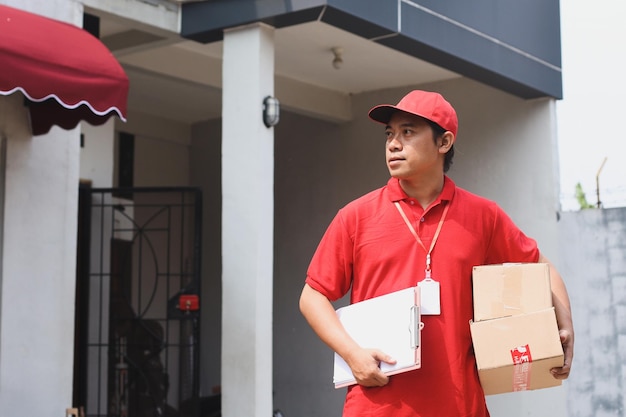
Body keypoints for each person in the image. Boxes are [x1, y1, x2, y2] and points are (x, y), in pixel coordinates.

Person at [299, 90, 574, 417]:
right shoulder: (355, 217)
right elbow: (312, 296)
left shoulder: (483, 216)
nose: (393, 144)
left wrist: (565, 325)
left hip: (460, 405)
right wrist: (352, 354)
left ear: (444, 142)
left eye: (408, 132)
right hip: (377, 406)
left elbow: (539, 265)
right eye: (389, 134)